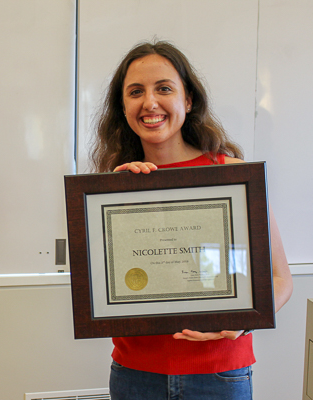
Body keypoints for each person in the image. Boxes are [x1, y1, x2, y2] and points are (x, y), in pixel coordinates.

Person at [91, 40, 293, 400]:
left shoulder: (234, 177)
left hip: (220, 374)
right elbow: (97, 286)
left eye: (164, 88)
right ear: (123, 108)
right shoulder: (114, 187)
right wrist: (116, 202)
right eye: (136, 92)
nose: (150, 103)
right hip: (135, 376)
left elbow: (280, 280)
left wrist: (243, 322)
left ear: (188, 100)